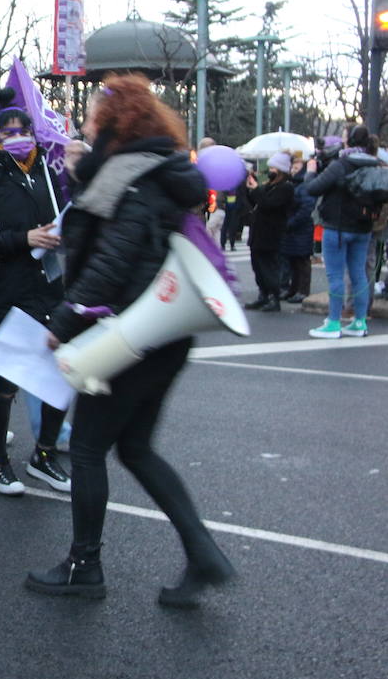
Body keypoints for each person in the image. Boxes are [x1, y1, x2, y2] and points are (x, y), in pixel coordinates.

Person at [26, 74, 234, 608]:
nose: (85, 125)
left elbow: (111, 261)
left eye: (93, 117)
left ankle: (83, 565)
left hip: (128, 332)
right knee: (137, 447)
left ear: (113, 124)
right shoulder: (159, 170)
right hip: (164, 333)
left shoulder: (127, 175)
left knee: (91, 447)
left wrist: (64, 321)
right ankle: (203, 553)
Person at [0, 90, 71, 495]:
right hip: (5, 292)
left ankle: (43, 455)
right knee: (5, 385)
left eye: (23, 130)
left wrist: (62, 232)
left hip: (46, 288)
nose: (17, 137)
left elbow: (58, 218)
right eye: (7, 132)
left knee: (59, 376)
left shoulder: (44, 172)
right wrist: (23, 239)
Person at [305, 125, 382, 338]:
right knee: (359, 274)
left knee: (335, 275)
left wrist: (311, 172)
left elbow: (313, 188)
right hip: (363, 227)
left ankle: (333, 322)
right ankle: (359, 321)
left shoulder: (342, 164)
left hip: (337, 227)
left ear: (348, 141)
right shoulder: (375, 164)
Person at [241, 152, 295, 312]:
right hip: (258, 233)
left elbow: (269, 204)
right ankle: (263, 295)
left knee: (269, 267)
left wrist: (257, 190)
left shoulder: (286, 188)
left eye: (273, 167)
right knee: (257, 266)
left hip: (271, 234)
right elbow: (257, 201)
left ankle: (273, 297)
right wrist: (250, 188)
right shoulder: (268, 185)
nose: (270, 170)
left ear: (281, 170)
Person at [279, 156, 316, 304]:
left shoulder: (304, 185)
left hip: (300, 228)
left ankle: (302, 291)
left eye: (296, 168)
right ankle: (294, 289)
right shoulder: (295, 185)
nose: (293, 171)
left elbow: (306, 208)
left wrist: (291, 222)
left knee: (302, 261)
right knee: (294, 260)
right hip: (294, 228)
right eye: (292, 168)